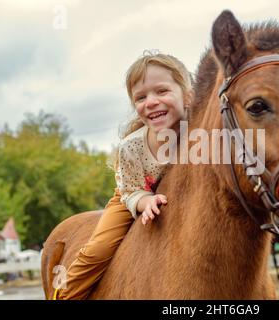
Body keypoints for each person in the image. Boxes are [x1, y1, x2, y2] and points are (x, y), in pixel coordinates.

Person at [53, 52, 193, 300]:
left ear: (188, 96)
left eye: (162, 91)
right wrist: (144, 201)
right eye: (140, 97)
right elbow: (130, 191)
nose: (151, 102)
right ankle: (64, 295)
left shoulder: (201, 133)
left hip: (177, 197)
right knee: (98, 249)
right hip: (132, 194)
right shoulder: (133, 146)